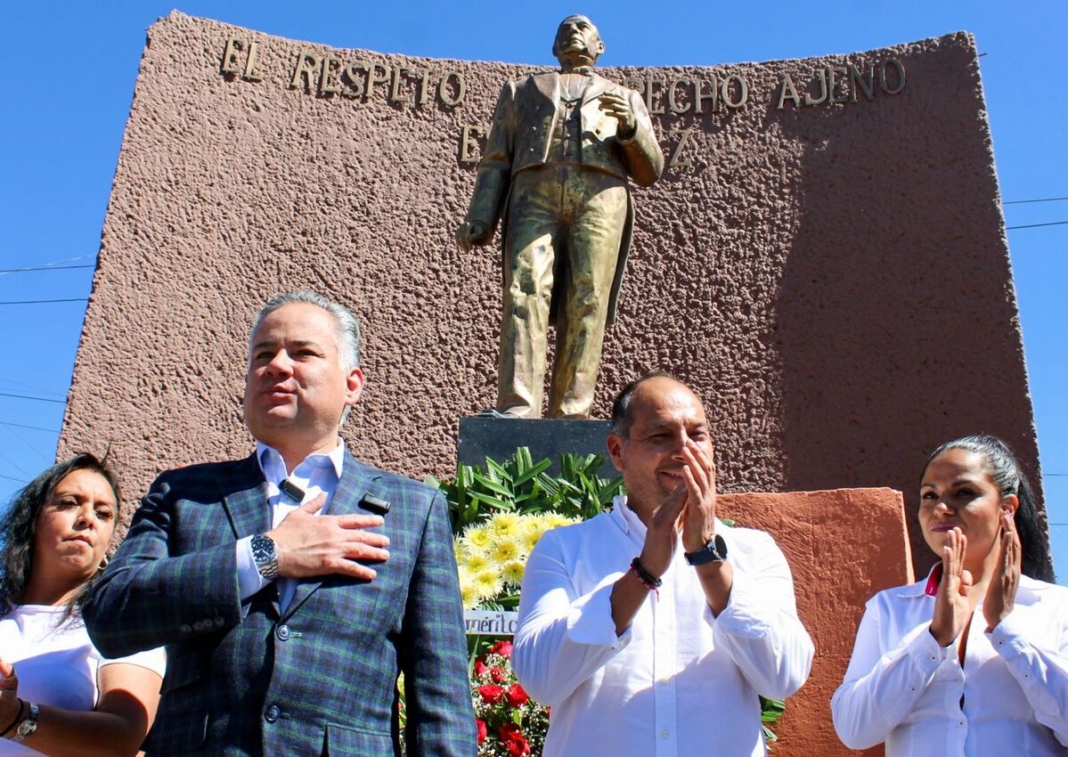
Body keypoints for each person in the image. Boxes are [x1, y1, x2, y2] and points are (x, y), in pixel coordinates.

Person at [83, 291, 475, 756]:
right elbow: (110, 616)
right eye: (263, 355)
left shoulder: (414, 509)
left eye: (303, 352)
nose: (276, 366)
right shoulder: (184, 494)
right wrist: (266, 556)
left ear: (353, 384)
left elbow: (441, 698)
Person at [512, 374, 813, 756]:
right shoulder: (564, 549)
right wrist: (643, 573)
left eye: (697, 436)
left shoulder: (755, 551)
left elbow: (784, 677)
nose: (684, 451)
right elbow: (541, 679)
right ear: (618, 452)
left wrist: (707, 558)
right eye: (661, 437)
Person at [456, 15, 664, 420]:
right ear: (553, 48)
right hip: (533, 193)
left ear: (600, 47)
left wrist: (631, 127)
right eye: (565, 28)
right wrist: (482, 216)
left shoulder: (625, 96)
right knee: (523, 291)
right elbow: (496, 159)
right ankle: (518, 407)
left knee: (588, 299)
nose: (573, 32)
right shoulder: (521, 91)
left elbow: (650, 170)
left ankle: (572, 412)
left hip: (600, 197)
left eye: (584, 28)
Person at [832, 434, 1068, 755]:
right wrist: (933, 638)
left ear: (1007, 508)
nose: (941, 508)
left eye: (964, 493)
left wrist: (1006, 631)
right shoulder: (890, 608)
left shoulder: (1055, 607)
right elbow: (853, 729)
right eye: (930, 495)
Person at [0, 454, 164, 756]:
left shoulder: (117, 626)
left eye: (103, 514)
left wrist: (15, 719)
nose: (87, 518)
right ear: (32, 520)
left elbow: (124, 735)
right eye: (69, 502)